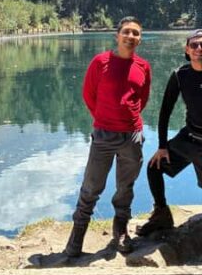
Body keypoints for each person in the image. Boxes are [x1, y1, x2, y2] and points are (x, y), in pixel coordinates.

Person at [136, 30, 202, 266]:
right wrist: (162, 146)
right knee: (155, 167)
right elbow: (164, 113)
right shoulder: (180, 75)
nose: (199, 49)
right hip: (189, 138)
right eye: (194, 45)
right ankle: (162, 213)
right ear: (187, 50)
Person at [64, 17, 152, 257]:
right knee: (91, 187)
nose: (131, 37)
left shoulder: (143, 66)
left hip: (132, 137)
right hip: (103, 135)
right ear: (117, 35)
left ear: (140, 38)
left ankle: (121, 231)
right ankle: (77, 236)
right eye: (126, 32)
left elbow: (141, 99)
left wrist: (128, 120)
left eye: (136, 33)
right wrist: (104, 119)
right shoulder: (100, 62)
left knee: (126, 187)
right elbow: (88, 94)